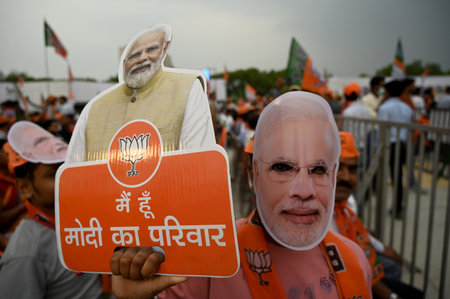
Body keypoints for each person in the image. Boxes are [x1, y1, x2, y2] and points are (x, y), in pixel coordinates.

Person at [110, 91, 372, 299]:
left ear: (333, 174)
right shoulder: (209, 261)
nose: (304, 191)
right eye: (282, 167)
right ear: (254, 173)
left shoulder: (355, 260)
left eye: (318, 169)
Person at [67, 24, 215, 162]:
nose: (142, 58)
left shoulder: (187, 88)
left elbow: (196, 165)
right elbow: (75, 175)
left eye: (151, 49)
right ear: (124, 63)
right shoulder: (94, 109)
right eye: (134, 55)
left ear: (164, 50)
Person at [0, 121, 103, 298]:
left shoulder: (80, 220)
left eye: (70, 166)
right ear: (25, 187)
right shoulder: (25, 255)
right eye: (55, 172)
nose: (70, 178)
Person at [331, 132, 423, 299]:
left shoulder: (347, 202)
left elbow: (357, 232)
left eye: (352, 169)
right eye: (338, 168)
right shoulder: (315, 218)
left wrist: (380, 246)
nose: (346, 177)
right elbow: (350, 269)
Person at [378, 80, 412, 217]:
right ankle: (398, 206)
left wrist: (377, 147)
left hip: (388, 145)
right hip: (402, 144)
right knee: (397, 176)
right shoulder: (407, 108)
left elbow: (382, 130)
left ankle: (390, 206)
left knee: (382, 174)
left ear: (387, 92)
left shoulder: (384, 108)